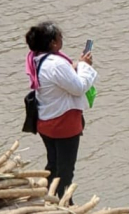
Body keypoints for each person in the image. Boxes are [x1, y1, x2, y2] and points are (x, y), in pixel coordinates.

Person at [25, 21, 97, 199]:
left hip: (46, 122)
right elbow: (79, 87)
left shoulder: (37, 59)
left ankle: (48, 197)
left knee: (53, 165)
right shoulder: (57, 64)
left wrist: (77, 65)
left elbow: (57, 79)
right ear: (53, 43)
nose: (62, 39)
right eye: (60, 37)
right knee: (65, 170)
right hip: (63, 125)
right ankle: (65, 204)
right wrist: (85, 67)